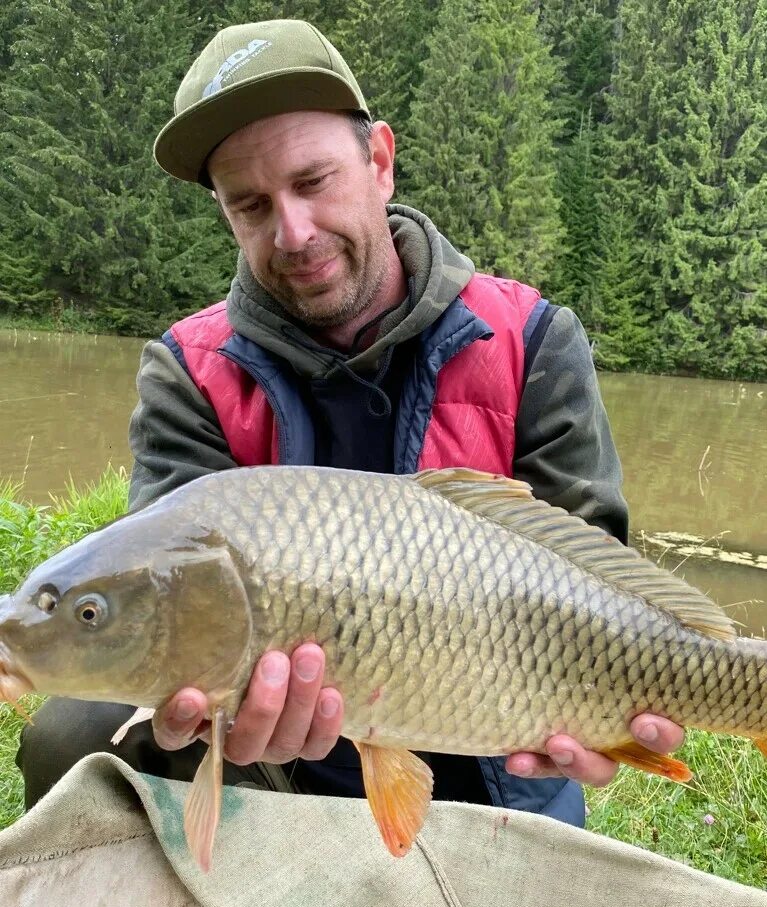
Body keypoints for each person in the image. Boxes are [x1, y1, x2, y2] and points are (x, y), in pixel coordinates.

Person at [18, 19, 684, 823]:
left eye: (312, 181)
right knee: (75, 732)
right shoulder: (189, 369)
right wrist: (213, 712)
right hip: (281, 765)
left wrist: (605, 715)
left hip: (508, 741)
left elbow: (593, 563)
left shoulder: (532, 337)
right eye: (252, 204)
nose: (292, 233)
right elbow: (159, 599)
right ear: (225, 212)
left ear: (378, 160)